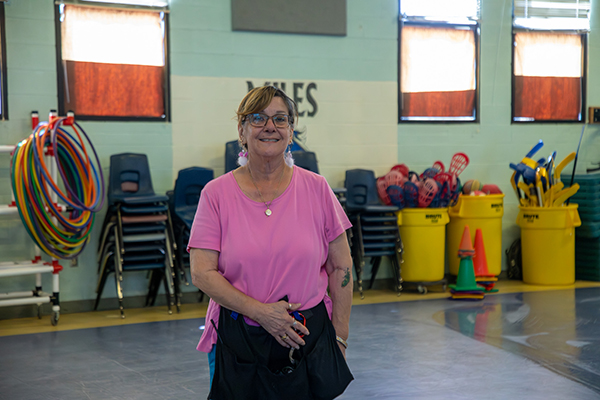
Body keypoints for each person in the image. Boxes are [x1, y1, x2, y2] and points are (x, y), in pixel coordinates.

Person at [188, 85, 354, 399]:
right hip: (240, 336)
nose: (270, 127)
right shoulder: (215, 194)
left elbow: (341, 266)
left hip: (310, 337)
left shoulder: (317, 189)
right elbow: (202, 272)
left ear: (291, 132)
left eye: (280, 119)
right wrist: (262, 313)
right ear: (242, 130)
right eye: (258, 118)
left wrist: (340, 337)